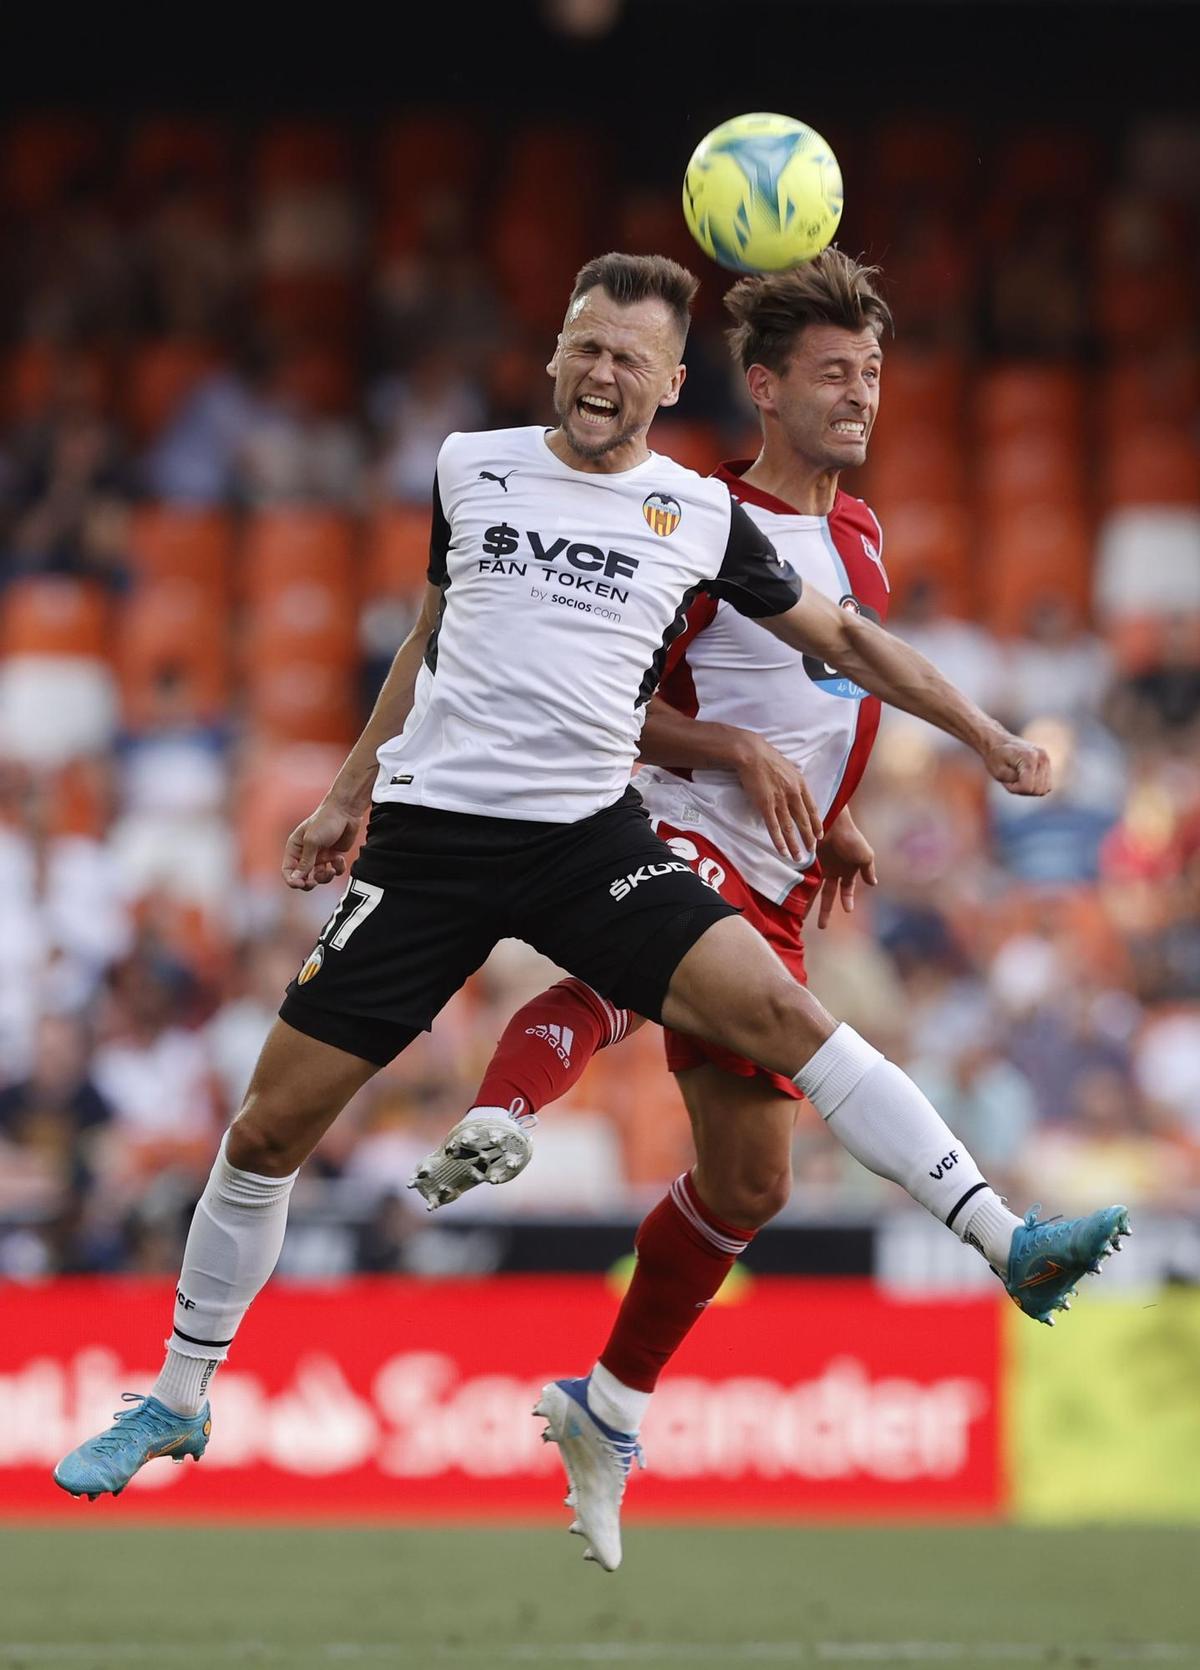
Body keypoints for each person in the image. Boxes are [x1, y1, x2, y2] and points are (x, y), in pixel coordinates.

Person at [53, 250, 1091, 1517]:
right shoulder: (468, 466)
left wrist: (985, 737)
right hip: (430, 845)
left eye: (629, 357)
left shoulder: (698, 515)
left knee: (786, 1019)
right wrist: (345, 791)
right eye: (583, 345)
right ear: (556, 353)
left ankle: (1005, 1241)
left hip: (587, 839)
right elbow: (431, 640)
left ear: (667, 385)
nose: (601, 372)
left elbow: (849, 644)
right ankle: (176, 1394)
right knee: (269, 1127)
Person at [409, 252, 1132, 1570]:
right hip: (672, 833)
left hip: (781, 878)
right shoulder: (691, 524)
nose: (860, 396)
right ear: (762, 387)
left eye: (872, 375)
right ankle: (1004, 1235)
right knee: (671, 981)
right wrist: (734, 751)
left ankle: (605, 1405)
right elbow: (612, 699)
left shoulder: (856, 539)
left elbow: (830, 688)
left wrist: (840, 802)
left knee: (748, 1182)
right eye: (832, 375)